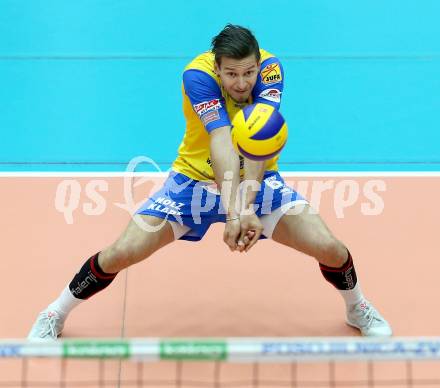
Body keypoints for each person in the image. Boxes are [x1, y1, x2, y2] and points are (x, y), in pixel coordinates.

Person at [28, 24, 392, 340]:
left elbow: (257, 144)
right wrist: (236, 214)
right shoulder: (197, 77)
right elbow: (220, 139)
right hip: (191, 183)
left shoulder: (271, 70)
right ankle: (54, 314)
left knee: (330, 247)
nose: (242, 82)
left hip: (258, 178)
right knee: (120, 253)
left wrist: (245, 205)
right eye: (231, 74)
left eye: (248, 73)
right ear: (216, 68)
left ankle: (356, 308)